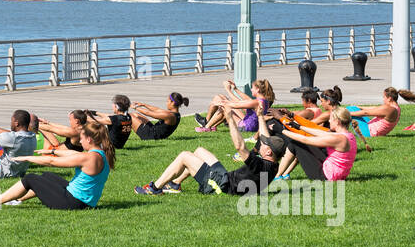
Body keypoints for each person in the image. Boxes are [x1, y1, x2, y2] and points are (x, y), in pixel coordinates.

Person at [135, 101, 284, 195]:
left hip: (222, 187)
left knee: (184, 156)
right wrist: (260, 116)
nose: (261, 144)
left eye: (265, 144)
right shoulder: (272, 165)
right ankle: (175, 184)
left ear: (269, 152)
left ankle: (154, 188)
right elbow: (266, 139)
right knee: (199, 151)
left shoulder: (260, 165)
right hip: (226, 178)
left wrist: (229, 118)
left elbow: (239, 146)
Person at [0, 115, 113, 210]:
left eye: (82, 138)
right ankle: (17, 199)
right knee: (47, 176)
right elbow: (73, 154)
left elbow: (52, 162)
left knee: (30, 178)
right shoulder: (101, 154)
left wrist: (28, 158)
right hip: (84, 201)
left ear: (89, 139)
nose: (80, 141)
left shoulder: (88, 158)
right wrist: (52, 151)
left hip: (73, 202)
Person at [274, 107, 358, 182]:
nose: (329, 121)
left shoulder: (339, 139)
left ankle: (277, 176)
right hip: (336, 174)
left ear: (337, 121)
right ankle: (284, 175)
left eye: (331, 119)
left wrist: (282, 130)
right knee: (304, 145)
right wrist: (298, 126)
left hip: (325, 176)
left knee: (296, 143)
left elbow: (305, 139)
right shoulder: (348, 135)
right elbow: (320, 133)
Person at [35, 96, 133, 151]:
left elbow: (97, 121)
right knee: (45, 128)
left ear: (77, 121)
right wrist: (48, 122)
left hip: (54, 152)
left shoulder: (74, 132)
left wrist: (33, 125)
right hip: (117, 144)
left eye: (70, 120)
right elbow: (62, 127)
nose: (69, 122)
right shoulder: (127, 117)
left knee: (43, 130)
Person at [195, 79, 274, 134]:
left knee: (224, 107)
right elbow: (245, 101)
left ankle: (206, 127)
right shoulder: (263, 101)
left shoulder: (256, 102)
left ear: (258, 90)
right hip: (251, 125)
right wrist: (235, 89)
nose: (251, 90)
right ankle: (209, 125)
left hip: (246, 127)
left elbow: (236, 105)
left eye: (252, 88)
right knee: (223, 101)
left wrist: (227, 91)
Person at [348, 87, 415, 138]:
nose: (383, 99)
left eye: (384, 97)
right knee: (354, 108)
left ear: (389, 98)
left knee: (350, 109)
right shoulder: (395, 107)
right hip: (371, 129)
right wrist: (359, 107)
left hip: (368, 133)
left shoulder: (389, 109)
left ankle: (342, 131)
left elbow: (366, 113)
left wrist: (348, 114)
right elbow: (375, 108)